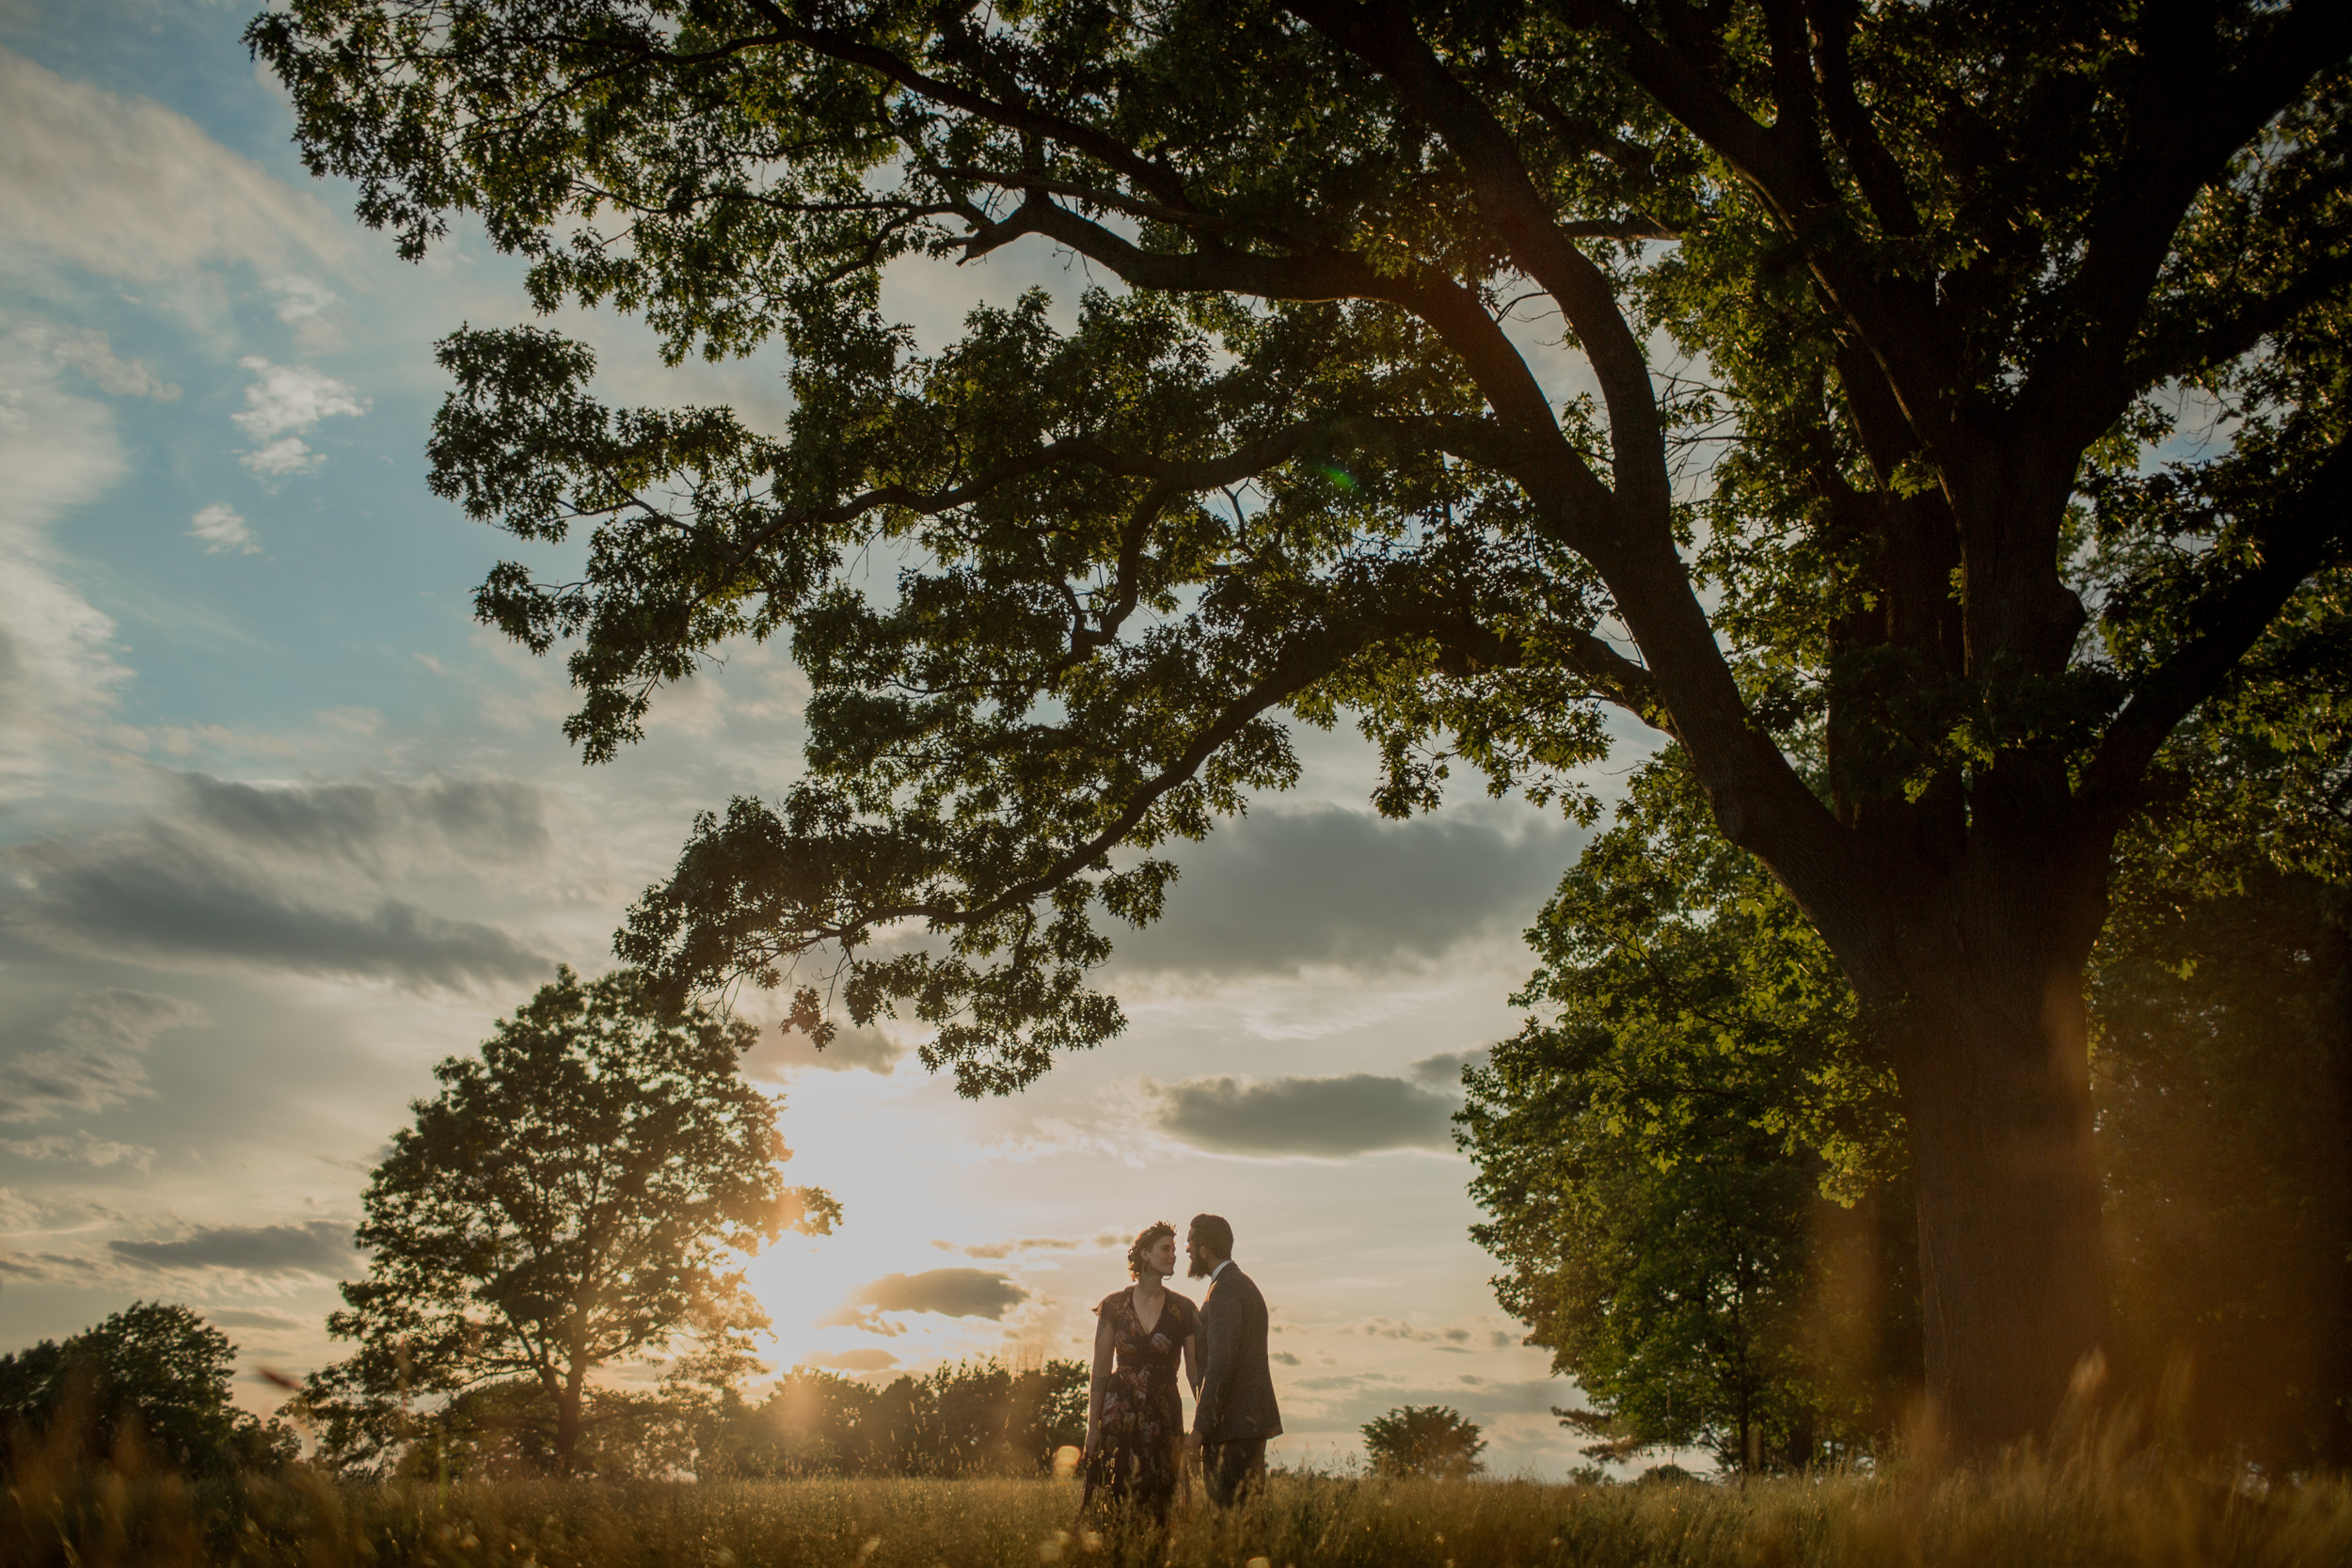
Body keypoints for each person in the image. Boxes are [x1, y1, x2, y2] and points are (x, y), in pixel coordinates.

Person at [1083, 1220, 1200, 1524]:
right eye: (1165, 1249)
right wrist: (1092, 1426)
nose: (1173, 1255)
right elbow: (1100, 1370)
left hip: (1163, 1415)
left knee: (1161, 1504)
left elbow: (1195, 1374)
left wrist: (1200, 1426)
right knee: (1114, 1498)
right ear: (1145, 1255)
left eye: (1175, 1249)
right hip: (1118, 1414)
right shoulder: (1113, 1306)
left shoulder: (1184, 1310)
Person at [1185, 1212, 1281, 1506]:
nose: (1186, 1250)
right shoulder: (1240, 1284)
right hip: (1246, 1428)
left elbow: (1220, 1365)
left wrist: (1199, 1430)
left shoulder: (1224, 1291)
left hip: (1232, 1430)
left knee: (1230, 1523)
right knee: (1245, 1520)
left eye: (1190, 1244)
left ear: (1204, 1251)